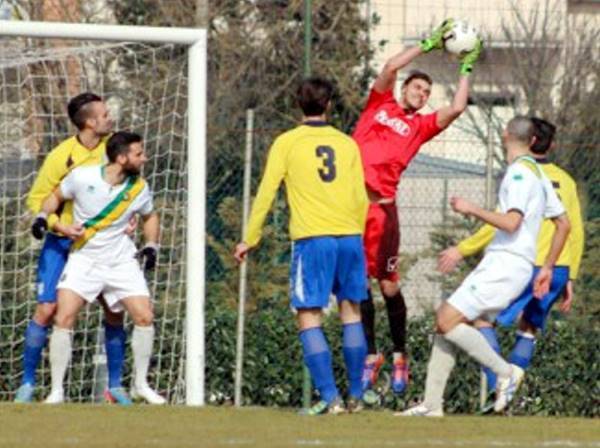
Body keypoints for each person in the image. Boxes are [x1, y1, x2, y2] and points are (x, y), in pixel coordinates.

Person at [401, 116, 570, 417]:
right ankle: (432, 404)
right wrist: (547, 267)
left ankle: (506, 372)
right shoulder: (537, 172)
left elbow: (511, 221)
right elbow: (564, 224)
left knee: (445, 319)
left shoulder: (519, 174)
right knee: (451, 321)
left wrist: (471, 209)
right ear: (533, 142)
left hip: (506, 263)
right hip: (511, 263)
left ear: (505, 135)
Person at [351, 19, 482, 395]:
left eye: (426, 91)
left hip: (383, 212)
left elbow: (457, 106)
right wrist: (427, 44)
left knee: (388, 285)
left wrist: (466, 66)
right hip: (353, 208)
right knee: (357, 285)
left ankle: (400, 354)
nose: (421, 94)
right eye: (417, 87)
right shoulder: (379, 103)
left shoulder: (422, 126)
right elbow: (390, 66)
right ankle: (371, 354)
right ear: (404, 88)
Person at [234, 77, 370, 414]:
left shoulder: (287, 142)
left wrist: (249, 237)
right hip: (350, 236)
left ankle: (330, 398)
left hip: (313, 238)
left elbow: (266, 191)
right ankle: (356, 394)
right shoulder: (347, 143)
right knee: (351, 311)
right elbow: (360, 196)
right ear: (329, 105)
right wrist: (357, 232)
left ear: (299, 105)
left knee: (308, 314)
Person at [438, 117, 584, 402]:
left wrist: (463, 248)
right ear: (550, 145)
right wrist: (570, 275)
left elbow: (503, 222)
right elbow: (572, 227)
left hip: (524, 263)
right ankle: (511, 392)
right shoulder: (564, 180)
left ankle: (501, 384)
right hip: (555, 266)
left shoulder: (521, 174)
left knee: (480, 320)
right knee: (528, 328)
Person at [34, 131, 165, 405]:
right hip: (84, 259)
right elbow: (54, 196)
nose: (145, 158)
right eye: (139, 153)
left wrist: (152, 245)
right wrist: (44, 217)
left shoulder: (139, 187)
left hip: (121, 261)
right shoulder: (83, 176)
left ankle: (141, 384)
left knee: (144, 317)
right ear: (121, 158)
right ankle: (56, 390)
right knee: (63, 318)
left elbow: (150, 215)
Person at [15, 92, 129, 404]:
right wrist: (58, 224)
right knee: (47, 309)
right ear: (90, 122)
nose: (110, 118)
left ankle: (116, 386)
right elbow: (37, 199)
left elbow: (129, 190)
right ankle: (27, 384)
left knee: (114, 308)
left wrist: (128, 219)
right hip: (62, 241)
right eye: (105, 114)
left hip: (102, 244)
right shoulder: (61, 155)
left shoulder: (114, 152)